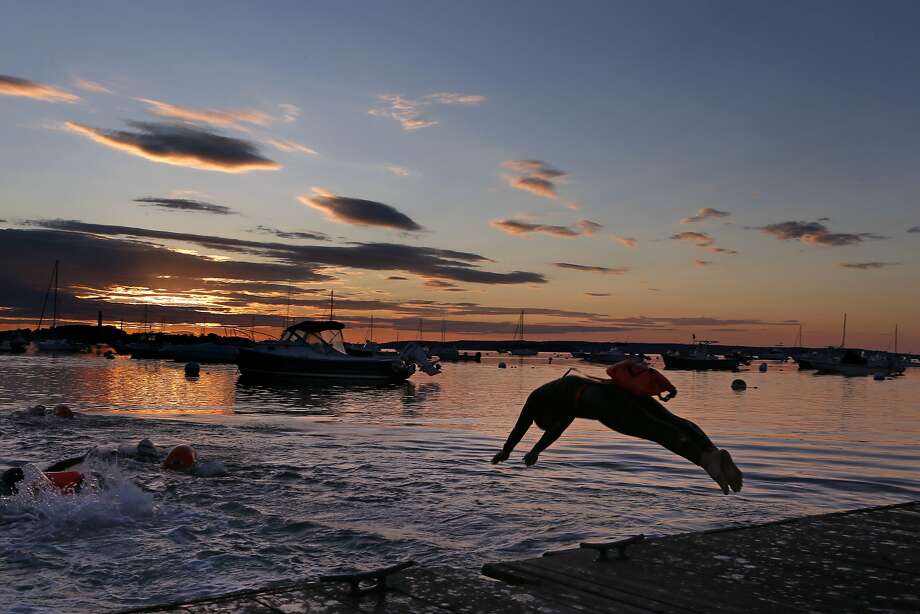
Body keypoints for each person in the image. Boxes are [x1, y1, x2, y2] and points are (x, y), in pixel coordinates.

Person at [491, 372, 743, 494]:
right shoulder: (559, 393)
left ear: (543, 417)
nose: (553, 424)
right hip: (614, 388)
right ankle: (712, 451)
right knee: (670, 420)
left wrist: (509, 450)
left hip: (605, 405)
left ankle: (707, 462)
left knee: (658, 431)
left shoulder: (538, 400)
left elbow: (521, 426)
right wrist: (530, 451)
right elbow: (554, 430)